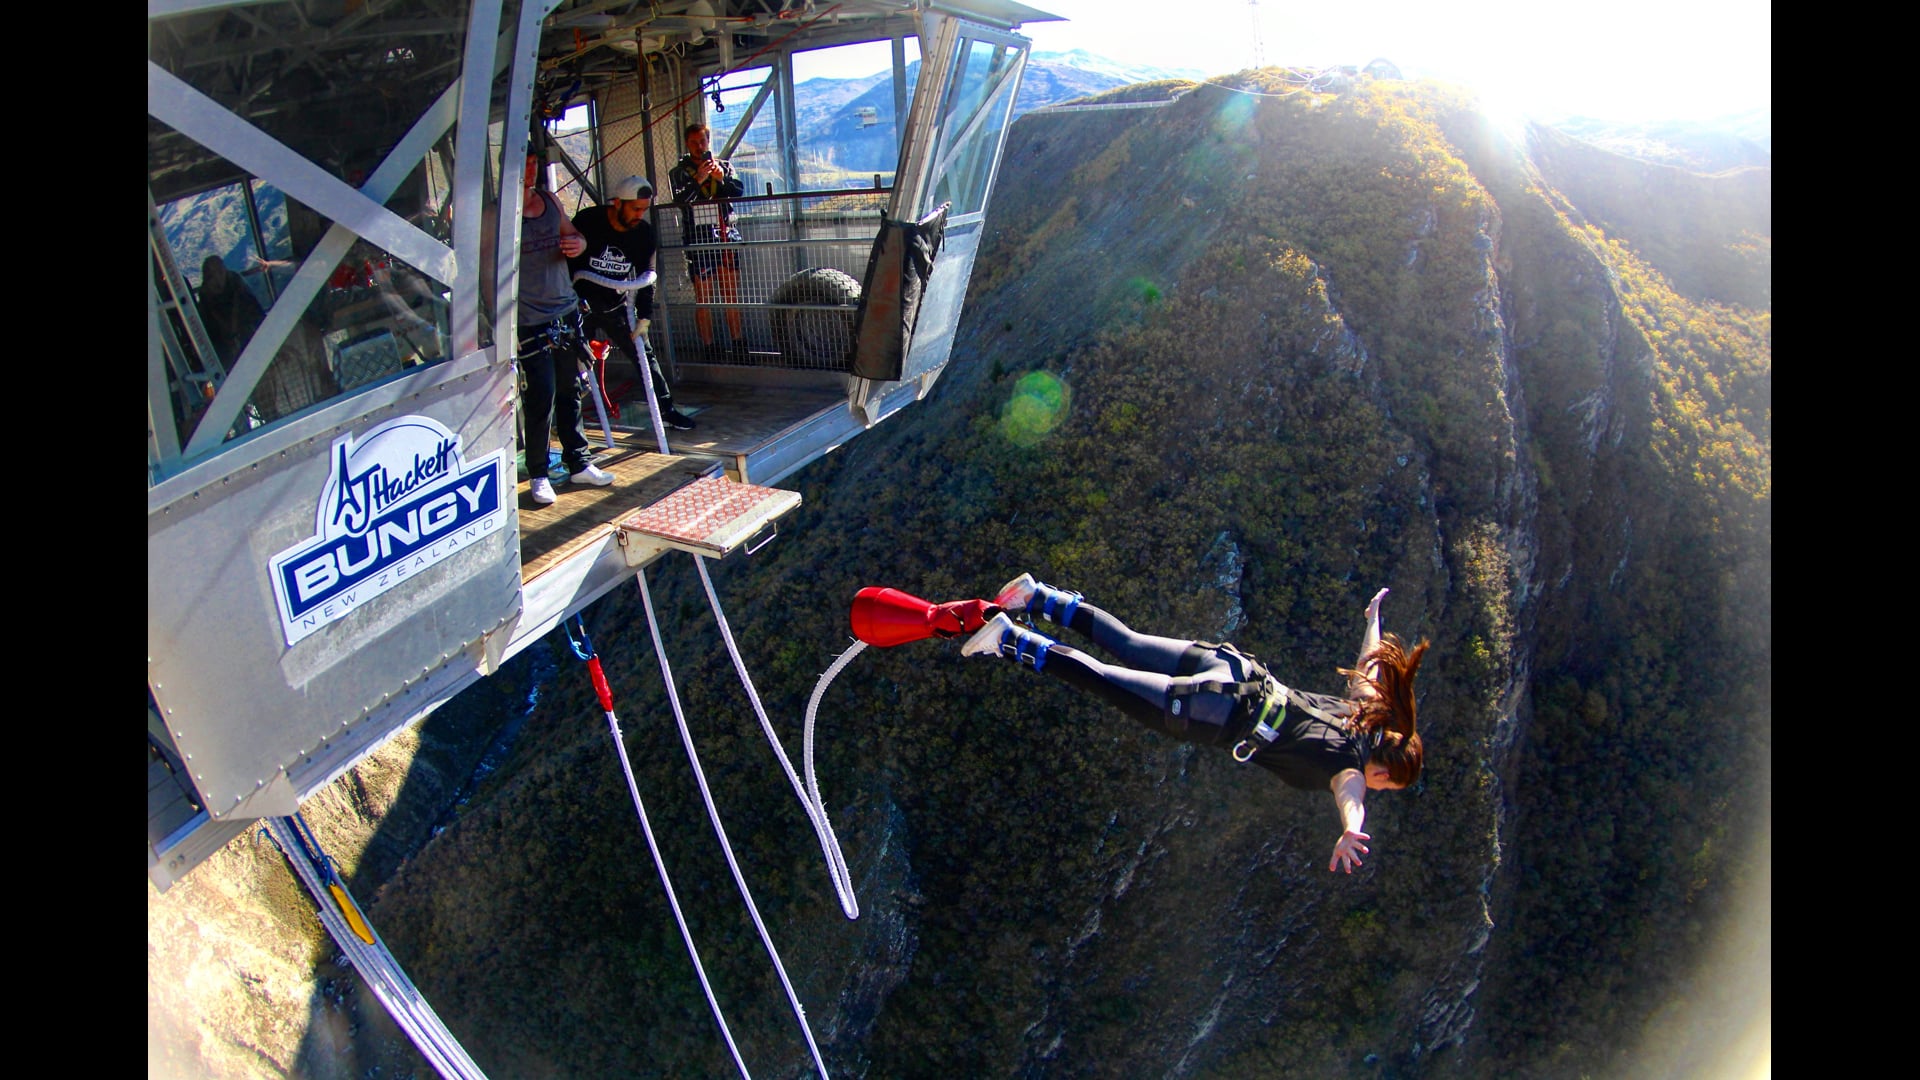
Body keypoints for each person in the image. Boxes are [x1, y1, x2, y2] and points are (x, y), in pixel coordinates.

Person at [962, 577, 1428, 874]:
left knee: (1128, 642)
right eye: (1385, 788)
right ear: (1383, 772)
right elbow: (1352, 798)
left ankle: (1037, 597)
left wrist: (1374, 620)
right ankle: (1009, 638)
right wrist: (1350, 829)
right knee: (1104, 680)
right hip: (1214, 713)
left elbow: (1370, 663)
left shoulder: (1362, 714)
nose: (1376, 792)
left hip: (1235, 670)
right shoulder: (1350, 768)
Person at [516, 147, 614, 506]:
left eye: (532, 166)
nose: (528, 173)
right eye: (522, 167)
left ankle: (578, 461)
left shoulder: (549, 202)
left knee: (571, 388)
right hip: (529, 318)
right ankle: (539, 473)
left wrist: (578, 244)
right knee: (540, 395)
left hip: (564, 310)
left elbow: (577, 237)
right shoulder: (498, 214)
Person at [569, 174, 696, 431]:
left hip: (616, 303)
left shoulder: (643, 234)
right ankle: (570, 422)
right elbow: (564, 265)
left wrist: (644, 317)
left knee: (644, 355)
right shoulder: (588, 221)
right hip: (580, 304)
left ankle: (667, 409)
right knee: (573, 361)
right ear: (617, 203)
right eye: (635, 209)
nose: (640, 215)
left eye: (644, 210)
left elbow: (647, 276)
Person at [668, 122, 746, 358]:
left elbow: (738, 193)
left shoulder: (724, 166)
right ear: (686, 144)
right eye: (693, 142)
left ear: (708, 141)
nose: (699, 147)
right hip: (698, 237)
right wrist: (698, 179)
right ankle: (709, 348)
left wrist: (721, 179)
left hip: (725, 233)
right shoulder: (679, 173)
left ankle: (739, 346)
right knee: (704, 297)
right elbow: (680, 201)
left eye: (702, 141)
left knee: (730, 294)